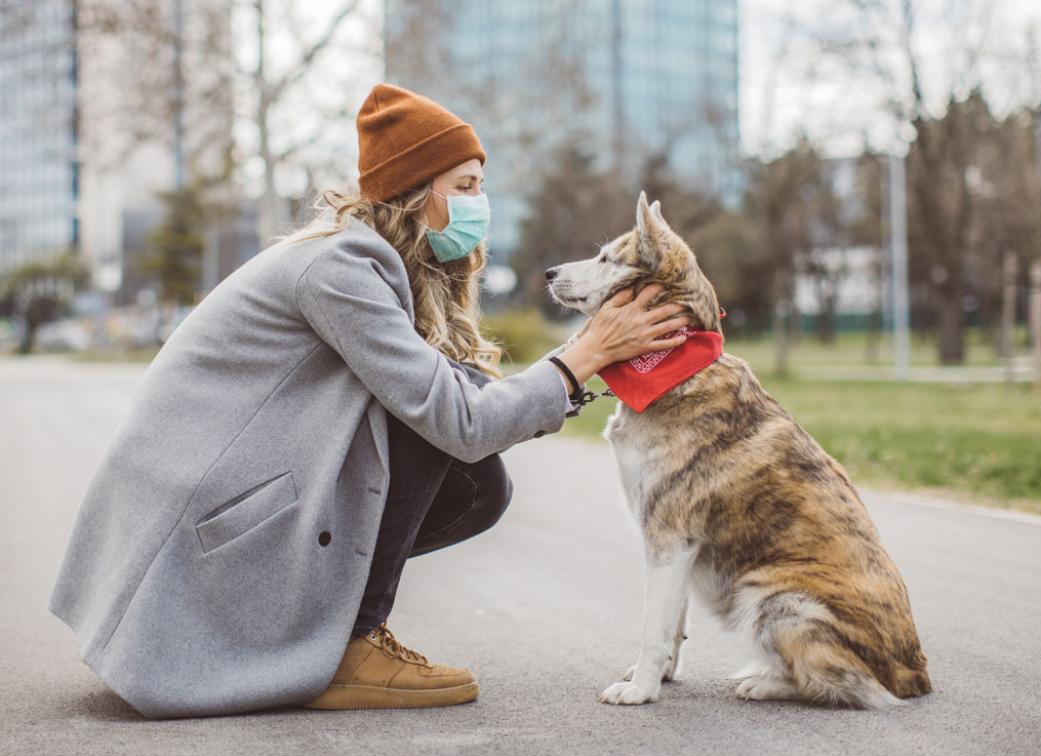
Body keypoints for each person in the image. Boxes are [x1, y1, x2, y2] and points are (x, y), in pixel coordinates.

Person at [47, 83, 689, 719]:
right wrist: (584, 355)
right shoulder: (340, 267)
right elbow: (456, 419)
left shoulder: (365, 261)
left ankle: (324, 626)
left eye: (480, 186)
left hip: (221, 513)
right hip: (189, 541)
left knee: (477, 486)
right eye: (464, 186)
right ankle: (351, 641)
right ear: (414, 190)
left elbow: (465, 401)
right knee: (428, 424)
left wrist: (590, 360)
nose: (479, 204)